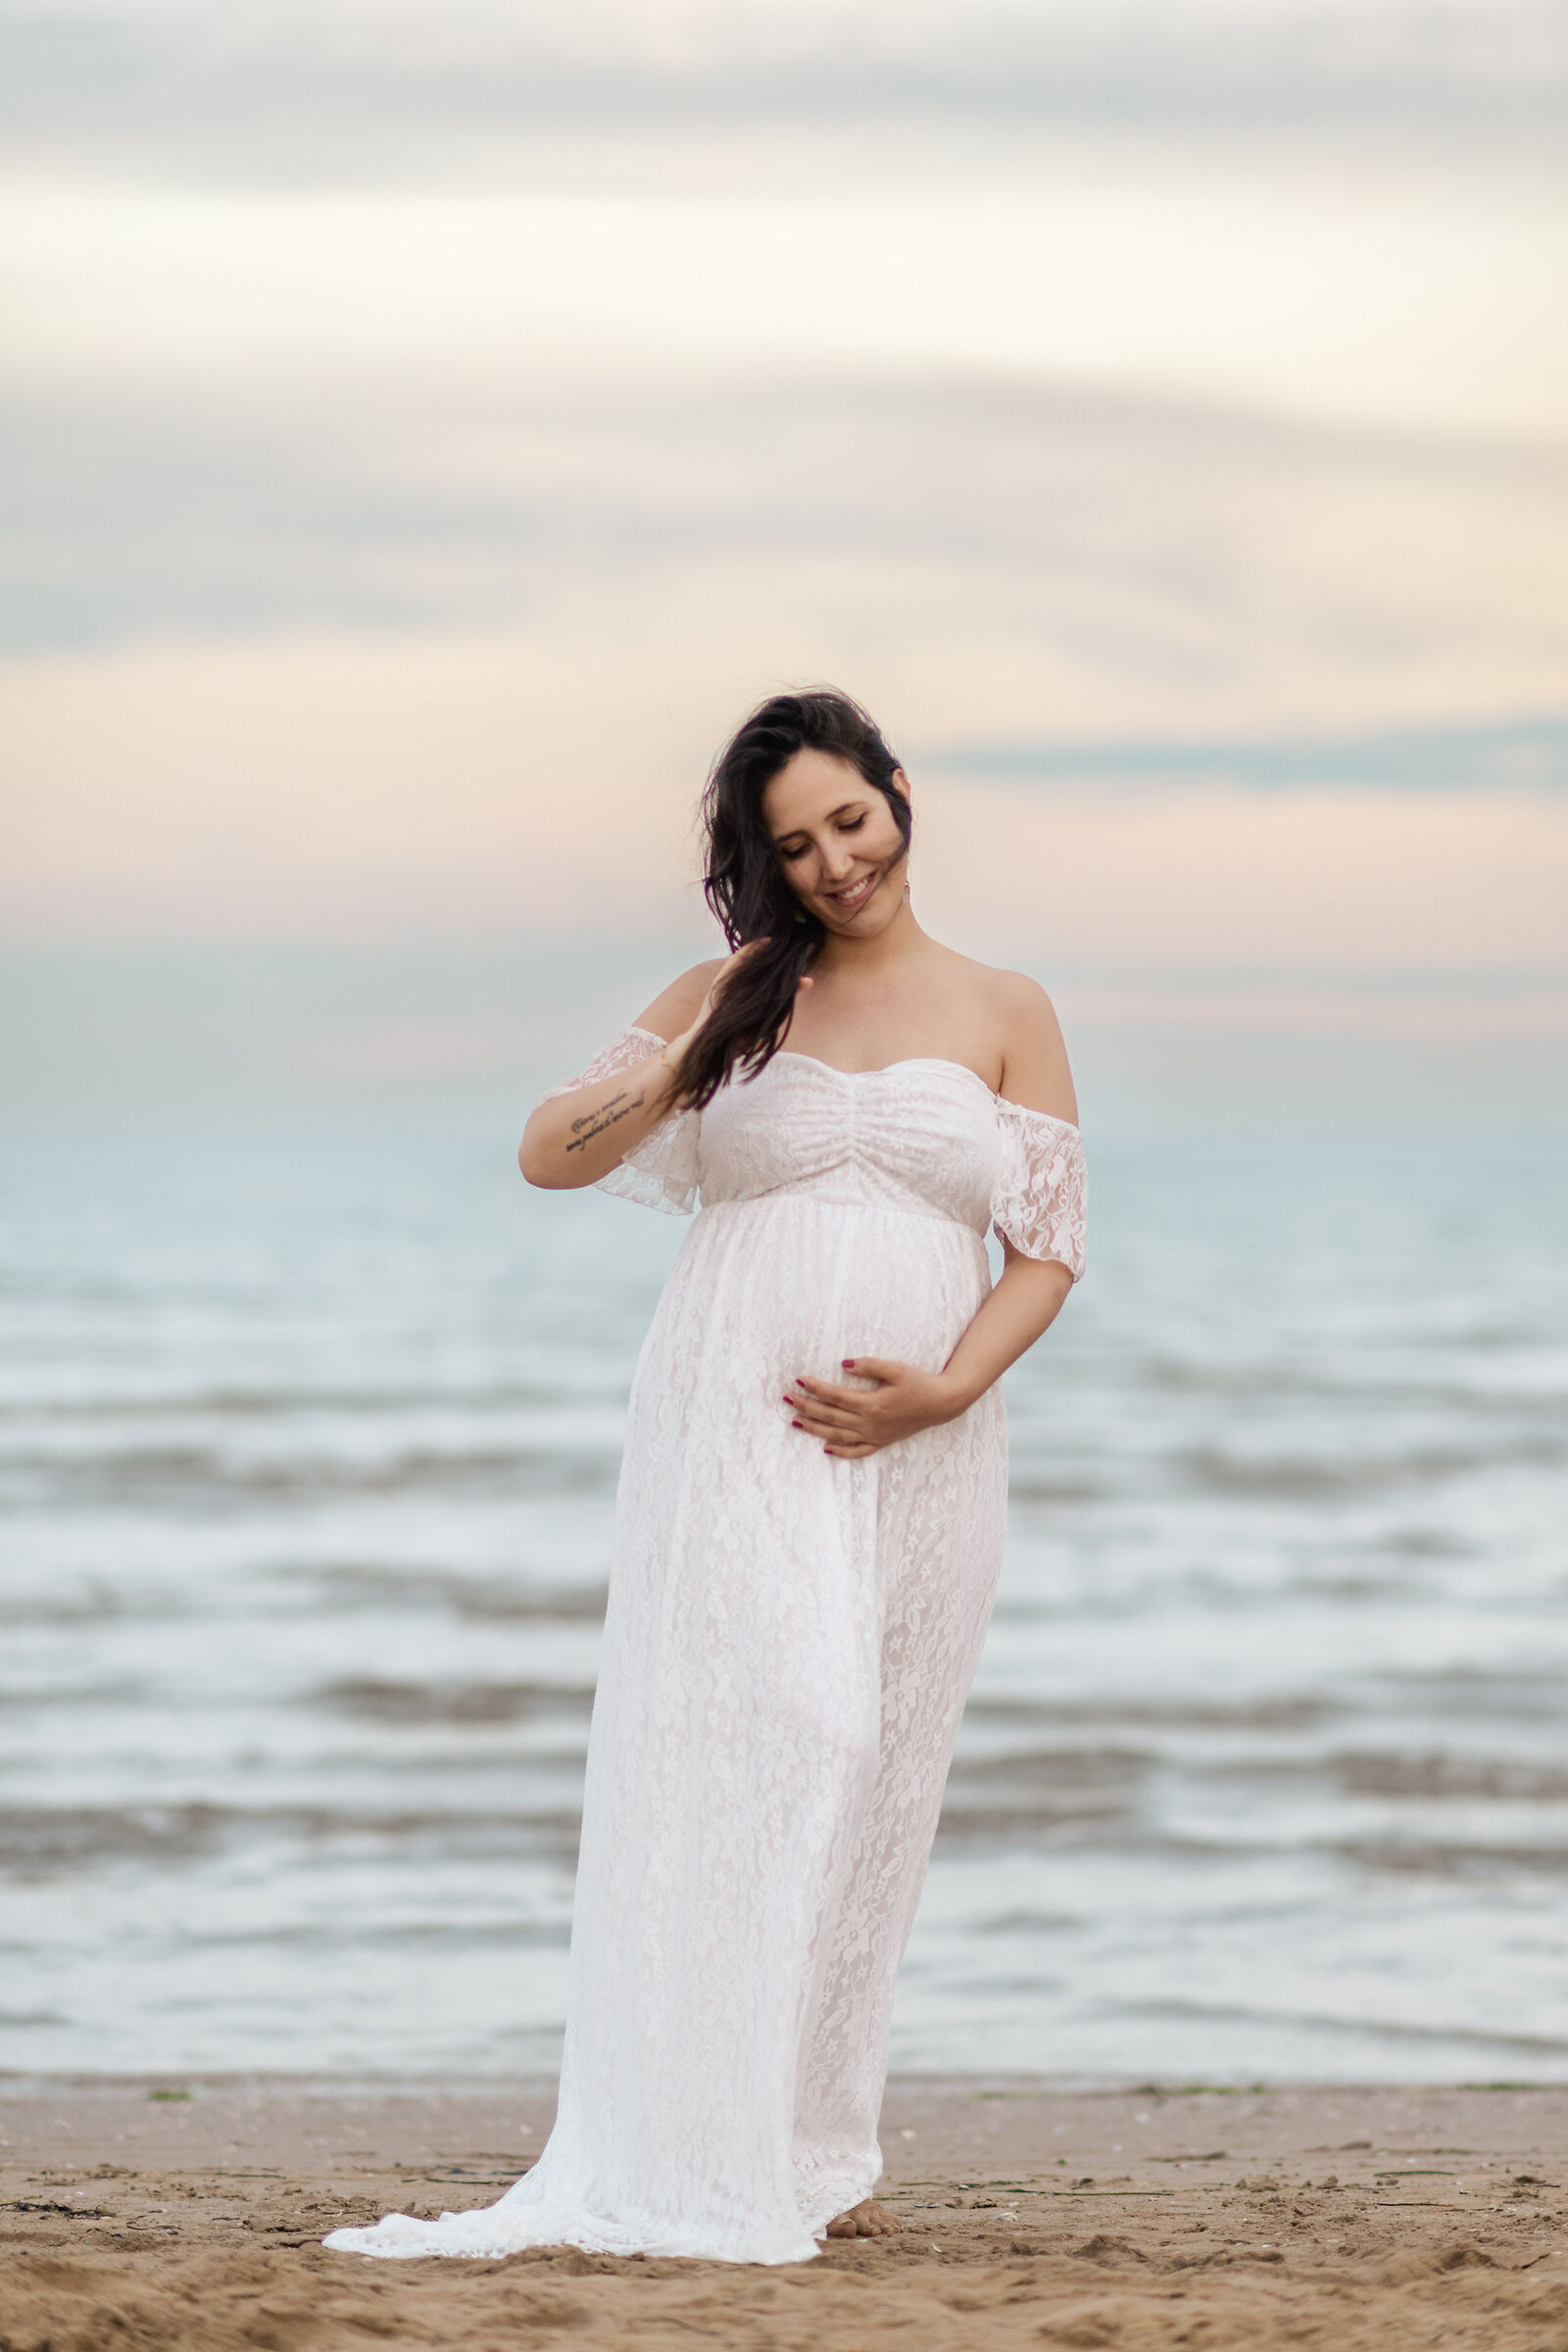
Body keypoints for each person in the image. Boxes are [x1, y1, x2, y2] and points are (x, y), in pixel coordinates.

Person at [324, 687, 1086, 2267]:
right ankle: (691, 2135)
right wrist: (691, 1054)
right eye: (794, 843)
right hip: (734, 1434)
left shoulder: (1007, 1004)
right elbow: (550, 1152)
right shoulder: (722, 992)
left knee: (875, 1764)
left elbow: (1050, 1247)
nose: (834, 863)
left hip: (928, 1451)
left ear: (897, 796)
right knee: (762, 1744)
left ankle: (809, 2142)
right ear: (765, 858)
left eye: (851, 820)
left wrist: (944, 1390)